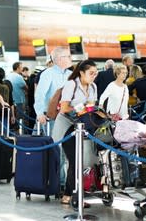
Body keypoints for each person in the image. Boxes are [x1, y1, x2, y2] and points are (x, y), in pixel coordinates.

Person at [52, 60, 99, 207]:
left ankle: (70, 195)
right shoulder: (71, 84)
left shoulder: (93, 87)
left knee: (79, 161)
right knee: (75, 161)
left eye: (95, 73)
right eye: (91, 73)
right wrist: (83, 108)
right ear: (81, 72)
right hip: (67, 127)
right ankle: (73, 195)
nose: (94, 76)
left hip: (80, 127)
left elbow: (91, 106)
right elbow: (64, 108)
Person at [34, 47, 73, 129]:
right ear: (60, 59)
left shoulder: (71, 74)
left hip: (67, 115)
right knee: (53, 140)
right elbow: (40, 94)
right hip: (51, 115)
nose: (71, 58)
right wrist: (40, 113)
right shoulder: (48, 73)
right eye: (68, 56)